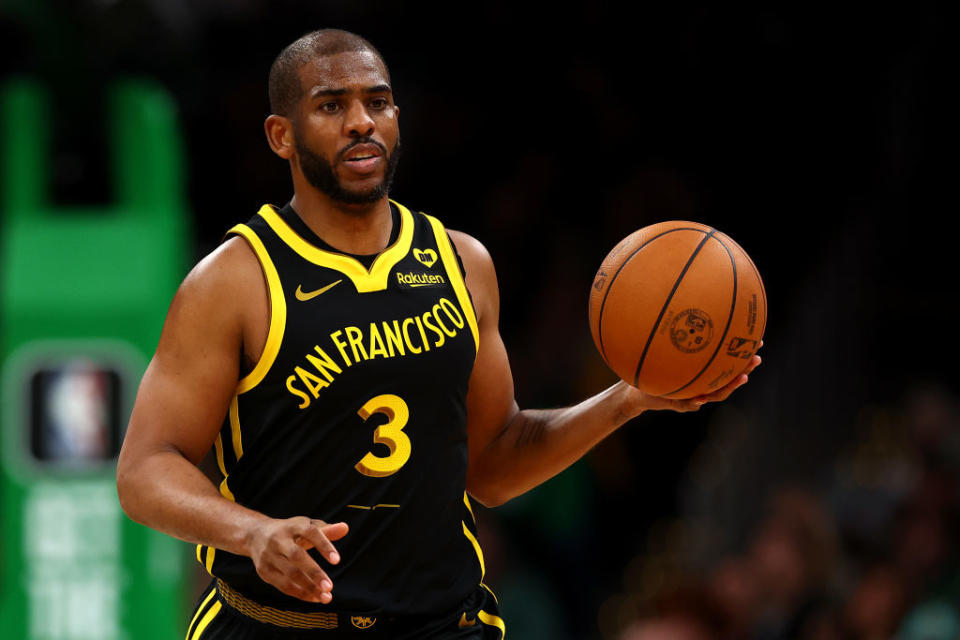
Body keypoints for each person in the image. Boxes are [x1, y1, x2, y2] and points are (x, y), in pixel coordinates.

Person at [115, 28, 761, 640]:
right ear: (281, 135)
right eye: (331, 105)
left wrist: (626, 399)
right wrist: (252, 533)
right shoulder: (234, 281)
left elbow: (496, 465)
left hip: (442, 622)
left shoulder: (462, 263)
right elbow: (145, 470)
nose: (361, 121)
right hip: (277, 625)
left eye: (378, 101)